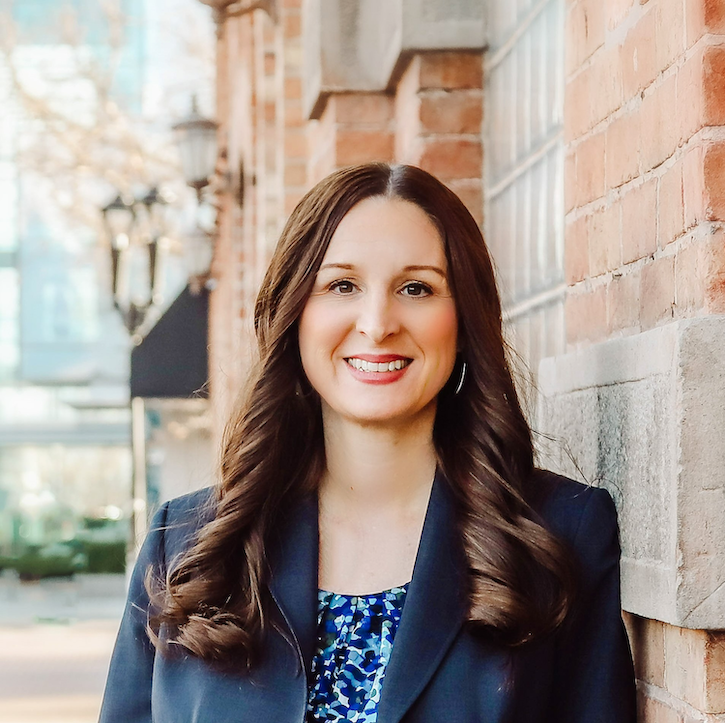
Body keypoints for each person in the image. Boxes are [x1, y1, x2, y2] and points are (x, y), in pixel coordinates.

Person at [99, 162, 636, 723]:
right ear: (296, 316)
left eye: (416, 287)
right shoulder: (184, 549)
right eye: (341, 285)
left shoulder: (560, 536)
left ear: (464, 320)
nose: (377, 323)